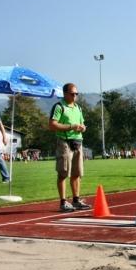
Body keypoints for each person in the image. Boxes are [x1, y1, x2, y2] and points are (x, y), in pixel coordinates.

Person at [49, 83, 91, 212]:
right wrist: (71, 126)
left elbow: (81, 123)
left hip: (78, 141)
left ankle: (76, 200)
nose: (75, 96)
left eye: (76, 94)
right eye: (72, 93)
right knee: (63, 173)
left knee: (77, 173)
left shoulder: (78, 107)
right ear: (65, 93)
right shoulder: (59, 107)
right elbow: (52, 125)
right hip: (64, 142)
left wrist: (83, 127)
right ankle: (63, 202)